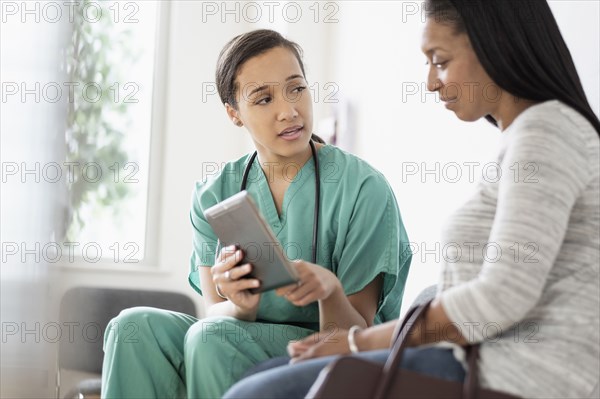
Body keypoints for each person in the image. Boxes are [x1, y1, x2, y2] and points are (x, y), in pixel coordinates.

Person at [223, 1, 600, 398]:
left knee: (254, 394)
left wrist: (357, 343)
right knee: (259, 378)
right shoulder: (531, 136)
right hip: (481, 362)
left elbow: (502, 296)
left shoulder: (546, 132)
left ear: (496, 45)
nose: (431, 83)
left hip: (516, 375)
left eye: (439, 60)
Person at [100, 29, 412, 398]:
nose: (289, 110)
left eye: (296, 88)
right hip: (230, 336)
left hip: (329, 351)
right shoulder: (214, 194)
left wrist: (330, 291)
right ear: (234, 114)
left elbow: (355, 334)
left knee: (211, 338)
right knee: (132, 327)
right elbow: (213, 312)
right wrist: (239, 307)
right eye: (263, 99)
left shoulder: (362, 188)